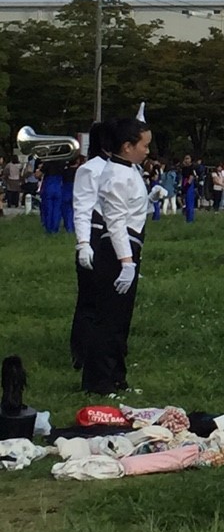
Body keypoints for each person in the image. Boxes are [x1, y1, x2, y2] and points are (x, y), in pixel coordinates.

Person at [80, 112, 153, 395]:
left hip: (128, 247)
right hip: (116, 251)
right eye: (143, 145)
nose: (147, 151)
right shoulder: (115, 175)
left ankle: (117, 378)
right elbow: (116, 222)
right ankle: (99, 382)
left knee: (120, 320)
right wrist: (126, 262)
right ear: (127, 146)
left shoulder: (127, 170)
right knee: (108, 320)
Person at [70, 121, 112, 373]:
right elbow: (83, 209)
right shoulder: (90, 169)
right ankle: (82, 352)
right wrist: (83, 243)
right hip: (94, 235)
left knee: (109, 300)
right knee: (89, 300)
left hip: (114, 235)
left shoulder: (118, 168)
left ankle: (103, 350)